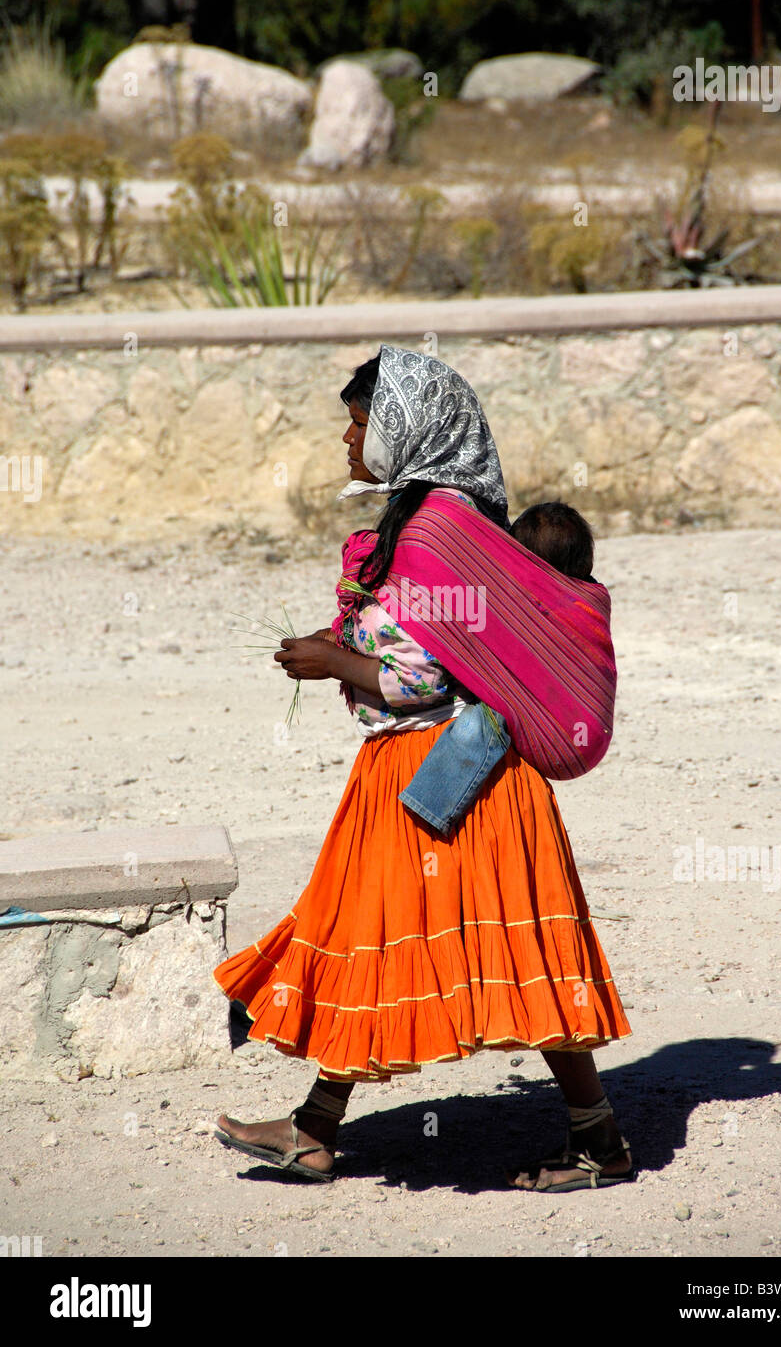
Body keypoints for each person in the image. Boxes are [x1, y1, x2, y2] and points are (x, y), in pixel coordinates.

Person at [212, 345, 633, 1192]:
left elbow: (421, 678)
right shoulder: (432, 522)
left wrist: (334, 661)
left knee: (484, 952)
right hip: (435, 774)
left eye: (360, 421)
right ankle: (314, 1128)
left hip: (449, 777)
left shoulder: (437, 533)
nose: (347, 435)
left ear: (402, 429)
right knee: (387, 937)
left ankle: (596, 1145)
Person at [400, 500, 600, 836]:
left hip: (556, 727)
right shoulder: (587, 597)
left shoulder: (533, 605)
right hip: (586, 730)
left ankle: (430, 804)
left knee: (480, 724)